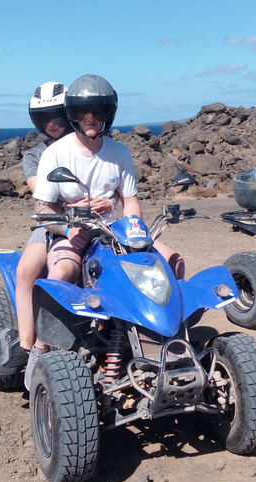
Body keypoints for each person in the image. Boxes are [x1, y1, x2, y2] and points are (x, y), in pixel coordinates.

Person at [24, 74, 184, 390]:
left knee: (171, 262)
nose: (91, 119)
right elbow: (43, 208)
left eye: (98, 111)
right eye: (84, 112)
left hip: (114, 230)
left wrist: (137, 234)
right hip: (71, 230)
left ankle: (168, 336)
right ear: (72, 113)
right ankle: (41, 349)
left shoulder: (119, 152)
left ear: (109, 113)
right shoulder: (55, 154)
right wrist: (72, 223)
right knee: (62, 274)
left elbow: (130, 200)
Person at [14, 83, 79, 364]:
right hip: (51, 221)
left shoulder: (86, 143)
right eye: (44, 118)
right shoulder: (35, 155)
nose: (51, 123)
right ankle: (28, 348)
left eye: (57, 116)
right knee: (27, 270)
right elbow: (39, 191)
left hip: (94, 221)